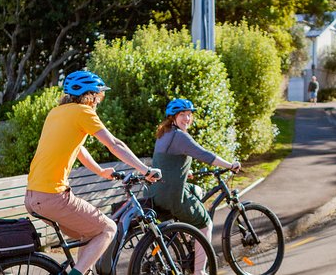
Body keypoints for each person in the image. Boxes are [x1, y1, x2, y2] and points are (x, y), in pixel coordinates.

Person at [24, 70, 161, 275]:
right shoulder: (83, 112)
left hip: (33, 196)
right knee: (108, 229)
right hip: (53, 195)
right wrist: (146, 170)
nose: (100, 100)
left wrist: (99, 171)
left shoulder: (56, 113)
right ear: (89, 95)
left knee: (87, 233)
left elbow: (77, 148)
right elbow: (114, 144)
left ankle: (81, 271)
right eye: (100, 95)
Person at [149, 98, 240, 275]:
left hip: (156, 191)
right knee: (206, 223)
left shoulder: (165, 134)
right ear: (172, 117)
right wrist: (230, 165)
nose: (187, 118)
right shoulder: (179, 136)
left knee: (197, 191)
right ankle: (199, 271)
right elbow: (205, 155)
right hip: (172, 195)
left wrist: (183, 173)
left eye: (189, 115)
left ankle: (190, 236)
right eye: (182, 114)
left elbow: (169, 161)